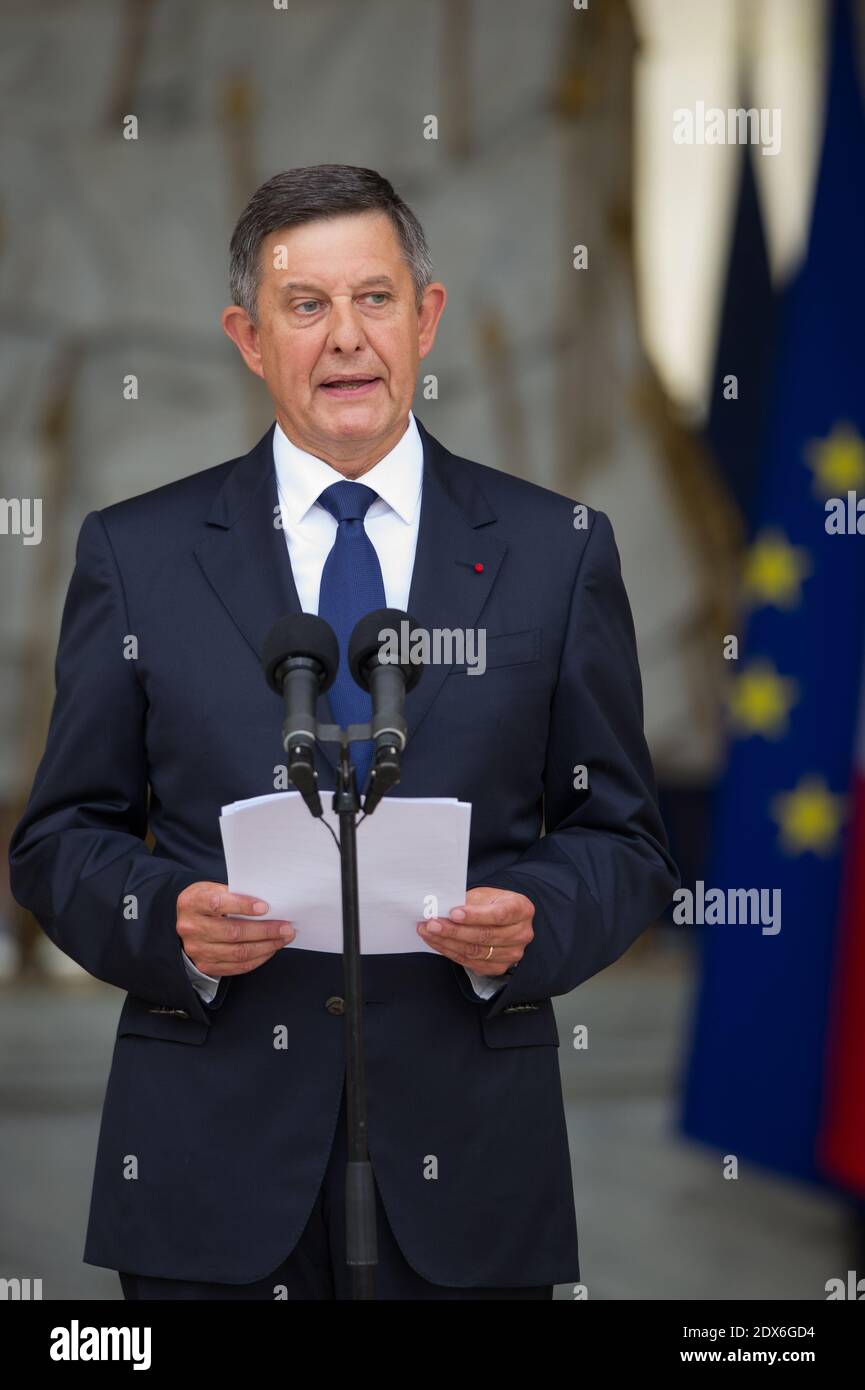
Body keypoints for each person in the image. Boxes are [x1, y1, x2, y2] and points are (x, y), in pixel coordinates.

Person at [9, 164, 678, 1300]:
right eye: (304, 306)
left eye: (374, 298)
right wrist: (166, 917)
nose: (345, 339)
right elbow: (60, 837)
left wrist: (535, 920)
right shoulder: (139, 555)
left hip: (467, 1172)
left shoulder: (555, 549)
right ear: (246, 337)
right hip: (208, 1173)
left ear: (426, 318)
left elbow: (624, 840)